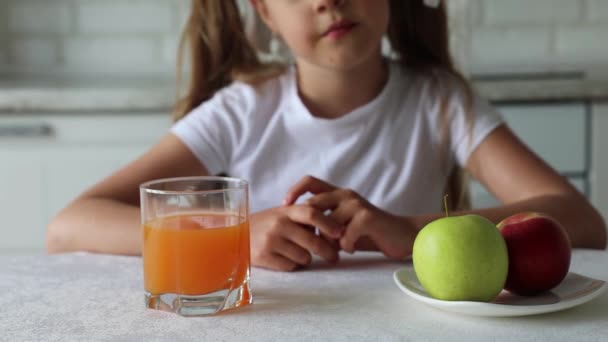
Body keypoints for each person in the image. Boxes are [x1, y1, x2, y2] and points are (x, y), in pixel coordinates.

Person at [47, 0, 607, 271]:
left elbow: (582, 220)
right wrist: (235, 236)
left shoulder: (439, 100)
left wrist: (409, 230)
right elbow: (70, 226)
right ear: (264, 11)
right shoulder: (241, 112)